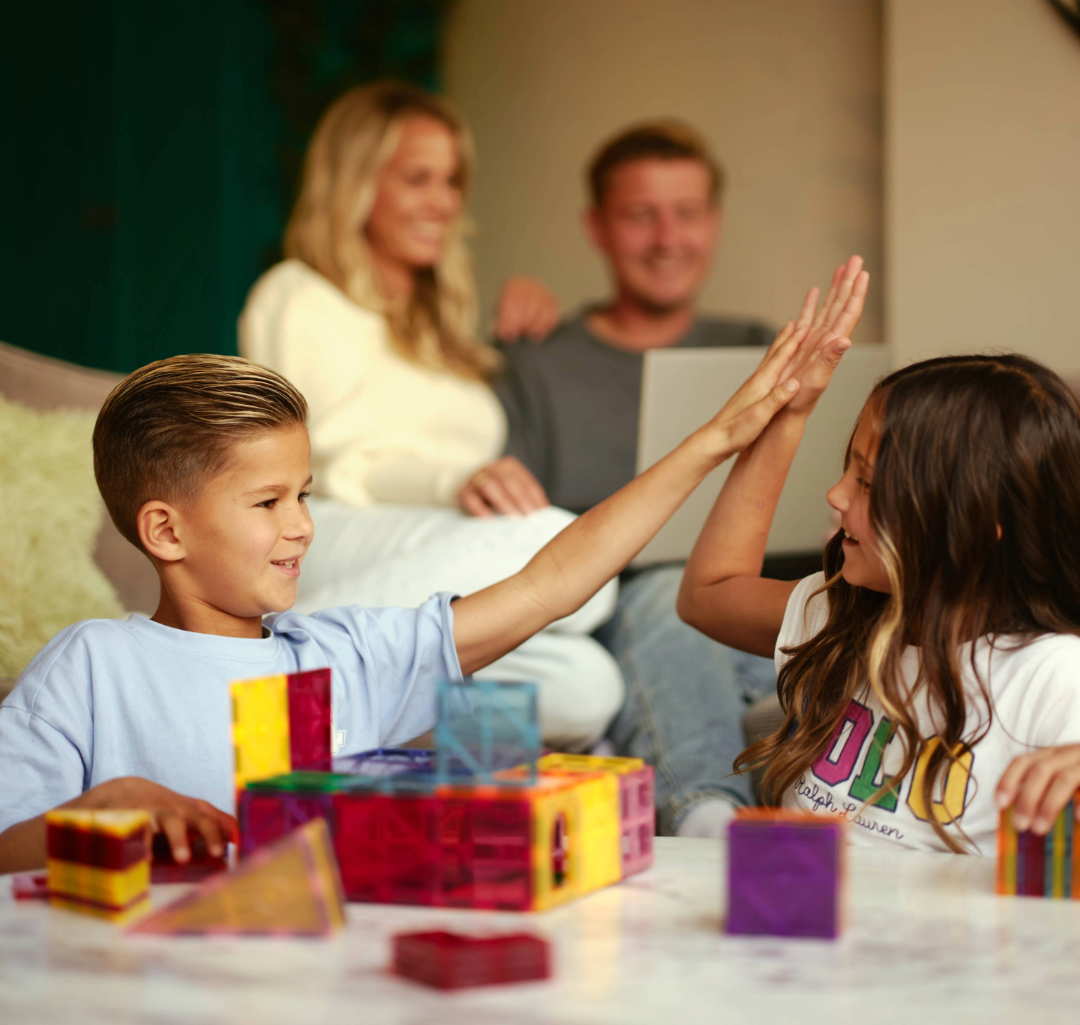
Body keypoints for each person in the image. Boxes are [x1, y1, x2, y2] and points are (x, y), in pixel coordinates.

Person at [0, 309, 823, 872]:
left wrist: (717, 441)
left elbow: (552, 583)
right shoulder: (92, 665)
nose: (302, 527)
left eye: (304, 496)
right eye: (267, 502)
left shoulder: (346, 657)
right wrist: (99, 812)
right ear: (165, 532)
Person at [239, 81, 620, 751]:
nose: (443, 201)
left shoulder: (441, 330)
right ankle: (251, 671)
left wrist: (527, 337)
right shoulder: (299, 294)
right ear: (356, 185)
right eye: (418, 179)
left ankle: (317, 721)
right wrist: (452, 482)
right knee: (565, 546)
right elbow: (334, 457)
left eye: (451, 181)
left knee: (585, 687)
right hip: (324, 534)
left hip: (428, 548)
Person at [679, 304, 1080, 851]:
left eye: (867, 484)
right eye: (848, 469)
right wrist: (789, 415)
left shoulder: (1053, 676)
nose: (835, 495)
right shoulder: (839, 613)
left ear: (972, 526)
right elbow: (707, 595)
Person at [487, 120, 782, 836]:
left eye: (687, 213)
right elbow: (513, 519)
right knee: (671, 596)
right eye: (640, 215)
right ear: (597, 227)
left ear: (714, 222)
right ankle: (707, 819)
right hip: (637, 608)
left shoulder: (761, 347)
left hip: (763, 608)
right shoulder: (536, 361)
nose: (667, 238)